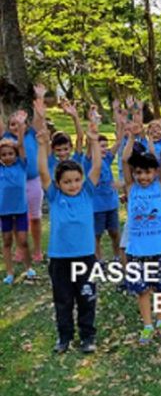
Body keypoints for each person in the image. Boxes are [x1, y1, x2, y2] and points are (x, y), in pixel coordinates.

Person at [37, 123, 102, 354]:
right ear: (58, 184)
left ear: (82, 180)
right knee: (63, 300)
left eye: (76, 180)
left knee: (86, 297)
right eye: (67, 182)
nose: (73, 185)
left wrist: (93, 140)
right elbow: (43, 172)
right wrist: (43, 145)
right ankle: (64, 336)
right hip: (60, 258)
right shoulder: (54, 196)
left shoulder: (87, 192)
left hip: (85, 257)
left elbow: (96, 166)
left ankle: (87, 336)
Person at [122, 119, 161, 345]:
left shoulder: (160, 187)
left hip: (158, 249)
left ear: (155, 172)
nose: (143, 177)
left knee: (159, 289)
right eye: (139, 173)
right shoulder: (130, 188)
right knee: (142, 291)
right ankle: (148, 324)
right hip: (136, 251)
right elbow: (125, 160)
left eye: (148, 172)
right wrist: (132, 137)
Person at [0, 112, 35, 284]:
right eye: (4, 154)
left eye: (10, 154)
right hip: (4, 211)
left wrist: (21, 127)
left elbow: (20, 145)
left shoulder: (21, 164)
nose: (7, 157)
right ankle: (10, 272)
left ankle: (28, 268)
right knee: (7, 240)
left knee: (23, 240)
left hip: (20, 209)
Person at [88, 129, 123, 264]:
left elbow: (117, 144)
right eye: (101, 146)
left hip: (111, 204)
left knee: (114, 232)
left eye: (106, 146)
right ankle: (99, 259)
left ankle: (117, 256)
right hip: (97, 207)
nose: (105, 149)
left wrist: (121, 126)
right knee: (97, 234)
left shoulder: (106, 160)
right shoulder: (89, 162)